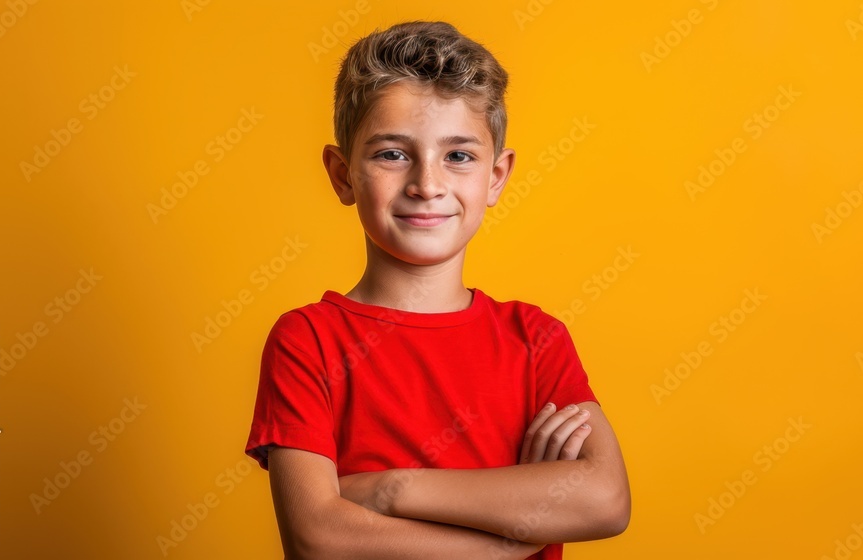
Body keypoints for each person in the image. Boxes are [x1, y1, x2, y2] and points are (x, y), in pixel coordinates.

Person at [244, 20, 630, 559]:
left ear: (496, 177)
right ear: (342, 174)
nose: (427, 184)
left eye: (458, 156)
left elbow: (605, 500)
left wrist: (389, 490)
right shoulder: (307, 340)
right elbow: (319, 539)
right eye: (393, 154)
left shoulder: (536, 339)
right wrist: (504, 543)